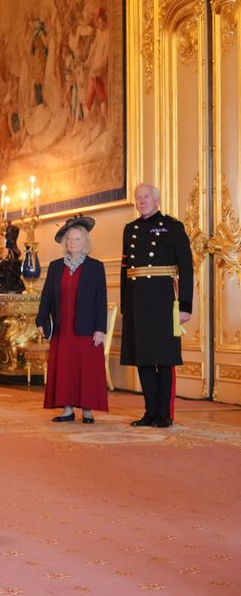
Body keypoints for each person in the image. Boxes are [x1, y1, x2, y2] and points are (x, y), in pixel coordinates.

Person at [121, 183, 193, 428]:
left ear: (156, 199)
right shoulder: (129, 230)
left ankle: (164, 413)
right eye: (138, 198)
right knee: (143, 358)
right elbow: (125, 272)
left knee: (163, 359)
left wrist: (185, 305)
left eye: (146, 197)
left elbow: (186, 268)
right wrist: (125, 306)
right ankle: (149, 412)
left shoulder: (173, 227)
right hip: (138, 302)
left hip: (164, 302)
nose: (142, 201)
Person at [35, 216, 108, 424]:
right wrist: (41, 320)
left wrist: (100, 328)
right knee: (65, 368)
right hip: (62, 328)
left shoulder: (95, 267)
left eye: (76, 239)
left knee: (87, 369)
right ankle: (67, 409)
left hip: (87, 328)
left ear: (85, 242)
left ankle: (87, 410)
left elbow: (101, 300)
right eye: (69, 239)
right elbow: (47, 296)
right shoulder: (56, 266)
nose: (72, 243)